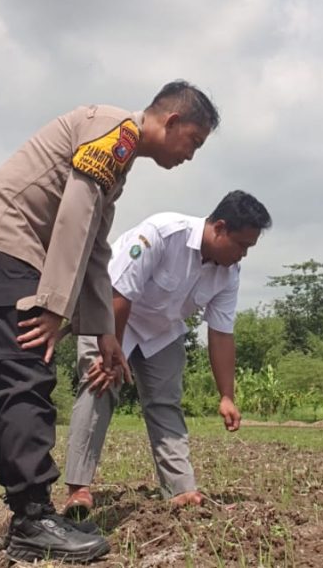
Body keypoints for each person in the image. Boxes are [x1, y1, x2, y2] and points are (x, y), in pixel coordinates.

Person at [0, 80, 219, 564]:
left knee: (8, 376)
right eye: (193, 141)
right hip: (6, 240)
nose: (191, 156)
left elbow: (95, 247)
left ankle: (27, 514)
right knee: (24, 372)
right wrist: (52, 306)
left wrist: (105, 334)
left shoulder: (120, 155)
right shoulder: (118, 131)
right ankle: (32, 518)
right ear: (172, 122)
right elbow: (73, 215)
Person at [61, 190, 271, 518]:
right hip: (112, 315)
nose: (243, 255)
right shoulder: (162, 234)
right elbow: (119, 293)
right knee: (100, 383)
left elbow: (220, 333)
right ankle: (79, 489)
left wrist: (227, 395)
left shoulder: (228, 274)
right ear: (219, 227)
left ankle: (181, 489)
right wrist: (111, 352)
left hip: (161, 330)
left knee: (165, 402)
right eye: (242, 245)